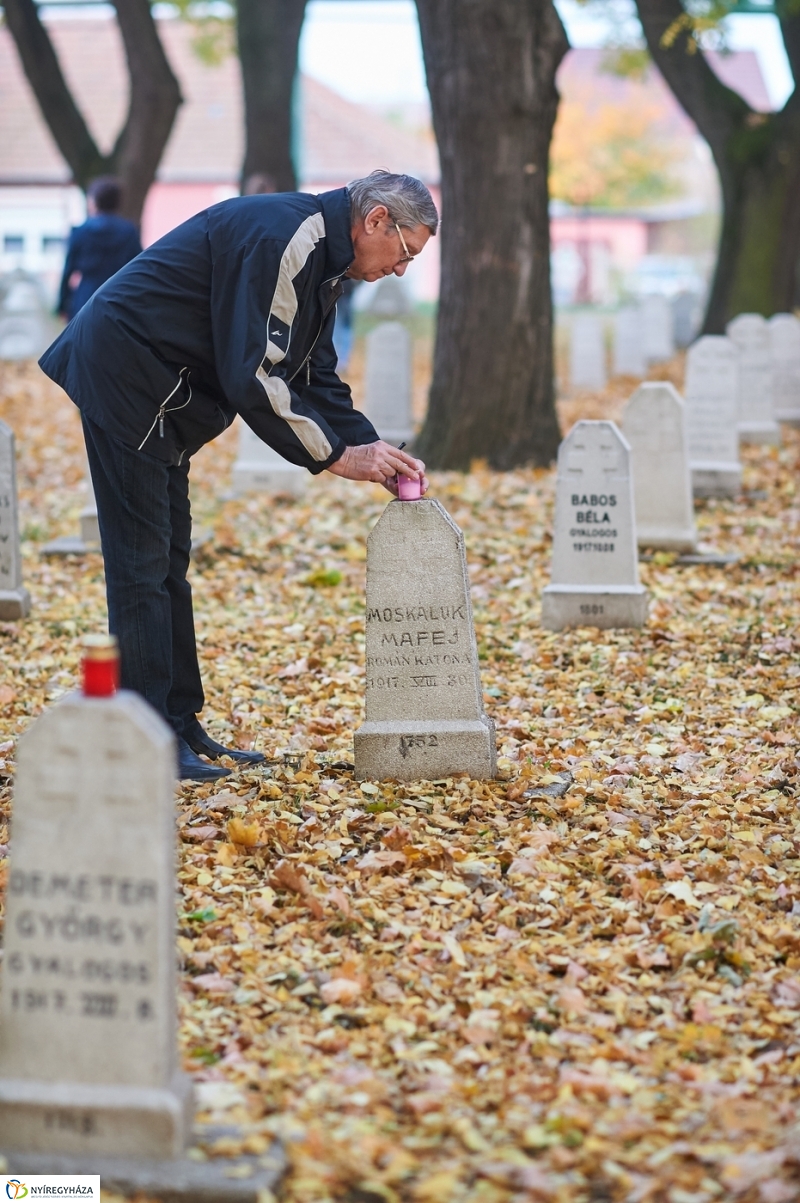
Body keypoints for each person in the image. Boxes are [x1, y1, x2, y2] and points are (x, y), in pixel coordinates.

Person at [39, 170, 437, 781]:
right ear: (377, 220)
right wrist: (334, 456)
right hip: (126, 373)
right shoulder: (288, 239)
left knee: (169, 561)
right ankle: (144, 735)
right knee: (141, 567)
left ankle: (177, 720)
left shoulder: (325, 256)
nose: (402, 269)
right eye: (405, 252)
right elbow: (252, 373)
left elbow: (312, 370)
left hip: (160, 388)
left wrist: (367, 443)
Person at [57, 177, 142, 321]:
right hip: (118, 298)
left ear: (93, 202)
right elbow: (139, 267)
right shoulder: (129, 231)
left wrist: (62, 305)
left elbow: (68, 270)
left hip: (85, 297)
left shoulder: (80, 232)